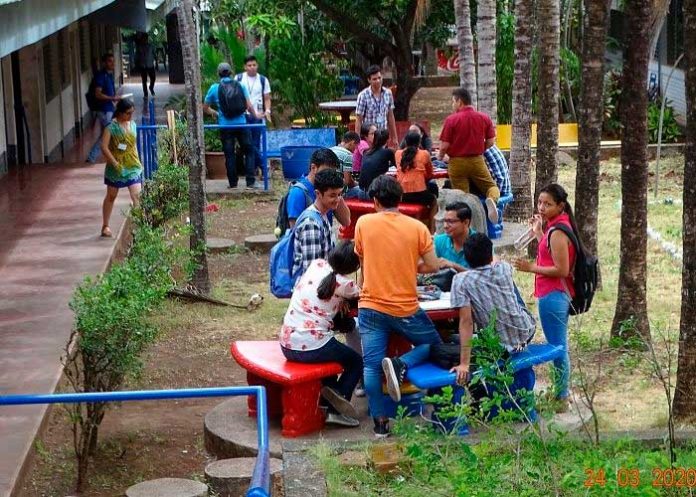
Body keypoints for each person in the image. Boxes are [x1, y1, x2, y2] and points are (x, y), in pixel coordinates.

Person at [355, 175, 444, 437]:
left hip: (370, 306)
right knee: (435, 344)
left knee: (370, 366)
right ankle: (401, 364)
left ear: (374, 201)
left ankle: (380, 423)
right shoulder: (417, 228)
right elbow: (434, 265)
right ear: (401, 198)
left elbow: (363, 258)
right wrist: (412, 265)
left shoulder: (364, 223)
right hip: (406, 308)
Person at [280, 241, 363, 427]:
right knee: (356, 361)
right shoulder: (346, 285)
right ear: (353, 266)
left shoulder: (316, 265)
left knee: (332, 355)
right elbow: (364, 296)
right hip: (312, 346)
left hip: (287, 343)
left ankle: (330, 395)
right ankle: (337, 408)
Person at [513, 183, 580, 408]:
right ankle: (561, 392)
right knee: (558, 344)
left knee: (558, 346)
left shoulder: (559, 231)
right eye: (540, 202)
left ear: (560, 206)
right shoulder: (554, 227)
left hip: (554, 295)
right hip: (553, 293)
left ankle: (562, 396)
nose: (541, 208)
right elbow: (551, 253)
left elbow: (561, 269)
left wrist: (530, 267)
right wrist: (539, 232)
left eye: (548, 204)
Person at [449, 233, 536, 383]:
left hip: (497, 345)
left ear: (467, 258)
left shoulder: (460, 281)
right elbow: (495, 260)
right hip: (526, 332)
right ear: (490, 254)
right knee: (510, 293)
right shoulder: (504, 268)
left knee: (449, 340)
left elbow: (466, 322)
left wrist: (464, 364)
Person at [438, 87, 500, 224]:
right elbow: (490, 141)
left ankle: (467, 225)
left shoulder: (451, 120)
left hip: (456, 163)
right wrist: (479, 149)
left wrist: (440, 156)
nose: (452, 105)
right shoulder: (484, 118)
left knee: (462, 196)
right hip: (477, 160)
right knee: (491, 186)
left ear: (459, 101)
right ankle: (492, 200)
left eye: (453, 102)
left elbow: (444, 145)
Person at [203, 62, 263, 189]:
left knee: (229, 154)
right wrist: (256, 115)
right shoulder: (240, 85)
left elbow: (205, 108)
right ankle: (250, 182)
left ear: (218, 74)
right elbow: (248, 105)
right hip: (242, 124)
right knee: (249, 151)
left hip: (225, 126)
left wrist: (216, 113)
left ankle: (233, 183)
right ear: (230, 72)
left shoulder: (214, 88)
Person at [99, 99, 142, 238]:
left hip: (132, 166)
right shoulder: (111, 127)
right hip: (116, 167)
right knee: (111, 196)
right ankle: (105, 225)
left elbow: (133, 145)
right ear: (120, 112)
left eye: (132, 113)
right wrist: (114, 163)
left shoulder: (133, 125)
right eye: (128, 113)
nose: (130, 116)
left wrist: (137, 161)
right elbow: (104, 147)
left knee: (137, 196)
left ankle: (139, 227)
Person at [293, 169, 345, 278]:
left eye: (340, 194)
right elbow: (311, 272)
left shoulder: (322, 215)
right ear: (318, 194)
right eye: (332, 195)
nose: (337, 199)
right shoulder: (311, 224)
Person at [285, 148, 350, 229]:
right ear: (313, 168)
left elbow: (346, 221)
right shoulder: (298, 193)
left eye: (332, 172)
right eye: (326, 171)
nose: (329, 175)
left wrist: (336, 194)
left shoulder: (330, 189)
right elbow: (295, 232)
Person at [395, 131, 437, 233]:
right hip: (419, 193)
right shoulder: (424, 154)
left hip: (401, 194)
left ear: (405, 142)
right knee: (434, 201)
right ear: (419, 142)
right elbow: (430, 174)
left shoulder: (398, 154)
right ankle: (431, 230)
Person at [236, 55, 272, 175]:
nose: (252, 67)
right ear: (245, 67)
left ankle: (255, 169)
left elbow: (267, 97)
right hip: (242, 115)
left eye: (254, 65)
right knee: (246, 143)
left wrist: (267, 111)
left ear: (257, 66)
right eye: (249, 65)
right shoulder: (239, 78)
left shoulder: (263, 80)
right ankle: (261, 166)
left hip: (258, 115)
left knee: (255, 143)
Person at [87, 53, 120, 164]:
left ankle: (93, 157)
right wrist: (112, 98)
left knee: (106, 133)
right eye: (110, 61)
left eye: (113, 61)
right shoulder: (101, 76)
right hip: (104, 110)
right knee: (108, 133)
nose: (112, 63)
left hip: (109, 109)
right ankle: (92, 157)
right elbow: (98, 94)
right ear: (104, 63)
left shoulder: (109, 75)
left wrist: (113, 100)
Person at [354, 65, 398, 147]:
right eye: (374, 79)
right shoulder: (363, 95)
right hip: (369, 137)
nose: (378, 81)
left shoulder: (388, 93)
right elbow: (359, 119)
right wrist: (358, 140)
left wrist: (394, 137)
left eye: (379, 78)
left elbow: (390, 116)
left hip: (383, 135)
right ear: (369, 80)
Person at [434, 202, 476, 272]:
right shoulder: (439, 241)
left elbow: (484, 276)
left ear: (466, 222)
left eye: (450, 221)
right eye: (445, 221)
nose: (445, 226)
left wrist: (454, 266)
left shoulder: (480, 243)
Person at [358, 129, 395, 195]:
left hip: (361, 192)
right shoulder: (388, 152)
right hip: (374, 193)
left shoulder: (366, 152)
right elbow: (399, 167)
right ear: (388, 140)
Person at [331, 131, 361, 195]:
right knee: (362, 191)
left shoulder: (330, 150)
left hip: (326, 189)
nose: (355, 150)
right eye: (356, 147)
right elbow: (348, 182)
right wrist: (358, 184)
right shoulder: (348, 155)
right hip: (339, 192)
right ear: (352, 143)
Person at [135, 33, 156, 98]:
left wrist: (156, 62)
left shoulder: (151, 46)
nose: (144, 40)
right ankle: (145, 94)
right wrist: (137, 64)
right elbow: (137, 56)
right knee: (144, 80)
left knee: (153, 78)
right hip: (143, 66)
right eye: (143, 38)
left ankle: (151, 87)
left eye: (146, 38)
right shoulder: (139, 47)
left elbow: (154, 54)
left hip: (150, 65)